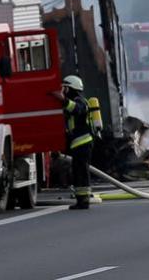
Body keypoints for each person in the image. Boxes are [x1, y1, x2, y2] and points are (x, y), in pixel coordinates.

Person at [51, 75, 94, 210]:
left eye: (65, 88)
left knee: (81, 172)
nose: (63, 90)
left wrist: (63, 100)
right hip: (77, 144)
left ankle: (84, 200)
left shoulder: (80, 101)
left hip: (83, 143)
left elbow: (76, 109)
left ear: (71, 88)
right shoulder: (74, 100)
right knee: (78, 171)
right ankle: (81, 199)